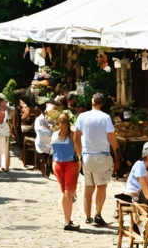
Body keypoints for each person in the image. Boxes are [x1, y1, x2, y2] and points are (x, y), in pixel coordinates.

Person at [73, 92, 119, 226]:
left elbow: (76, 137)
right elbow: (111, 138)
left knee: (88, 187)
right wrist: (116, 154)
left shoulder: (82, 116)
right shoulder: (105, 118)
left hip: (87, 156)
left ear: (92, 101)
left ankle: (87, 216)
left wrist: (79, 155)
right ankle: (98, 214)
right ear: (103, 103)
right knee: (101, 187)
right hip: (102, 156)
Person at [51, 111, 80, 230]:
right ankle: (67, 221)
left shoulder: (54, 135)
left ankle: (67, 218)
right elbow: (78, 150)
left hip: (57, 163)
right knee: (68, 191)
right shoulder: (72, 135)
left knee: (63, 191)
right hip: (70, 163)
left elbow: (51, 150)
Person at [33, 104, 53, 178]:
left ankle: (46, 169)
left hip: (49, 140)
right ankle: (43, 171)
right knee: (42, 157)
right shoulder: (39, 119)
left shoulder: (51, 119)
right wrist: (49, 131)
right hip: (42, 140)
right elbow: (39, 129)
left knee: (47, 157)